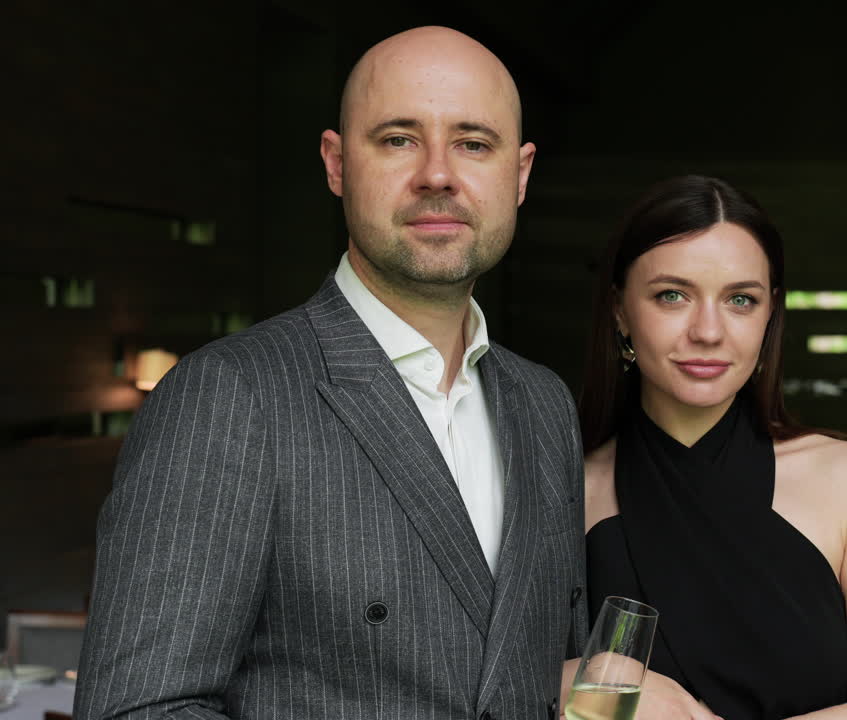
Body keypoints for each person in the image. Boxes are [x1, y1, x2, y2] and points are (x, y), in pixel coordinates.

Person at [75, 26, 586, 720]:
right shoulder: (228, 398)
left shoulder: (545, 405)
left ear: (519, 175)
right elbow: (138, 710)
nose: (438, 174)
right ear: (336, 163)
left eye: (473, 143)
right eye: (399, 138)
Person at [567, 175, 847, 720]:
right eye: (672, 295)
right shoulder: (569, 492)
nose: (708, 331)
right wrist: (566, 674)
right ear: (620, 310)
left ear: (769, 314)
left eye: (740, 299)